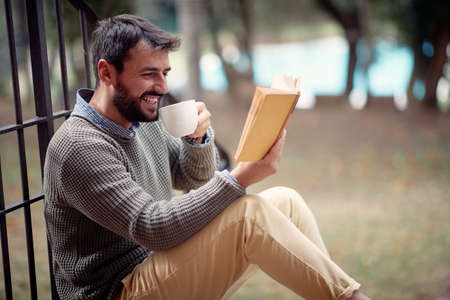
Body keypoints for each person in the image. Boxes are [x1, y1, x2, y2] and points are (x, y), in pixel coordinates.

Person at [43, 14, 371, 300]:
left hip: (159, 263)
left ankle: (335, 295)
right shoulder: (79, 146)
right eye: (148, 74)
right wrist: (240, 178)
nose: (162, 86)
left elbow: (192, 178)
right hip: (119, 290)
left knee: (286, 201)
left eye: (165, 72)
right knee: (248, 215)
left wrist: (197, 140)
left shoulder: (141, 118)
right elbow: (151, 226)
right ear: (107, 73)